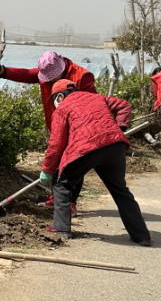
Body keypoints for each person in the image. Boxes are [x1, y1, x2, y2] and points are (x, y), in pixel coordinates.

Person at [40, 80, 151, 246]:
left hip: (86, 148)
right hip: (115, 146)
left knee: (62, 186)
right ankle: (142, 235)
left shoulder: (62, 109)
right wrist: (120, 128)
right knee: (120, 190)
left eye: (55, 99)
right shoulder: (97, 98)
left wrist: (47, 170)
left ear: (61, 96)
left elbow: (56, 144)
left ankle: (62, 228)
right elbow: (124, 105)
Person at [0, 50, 96, 214]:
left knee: (73, 164)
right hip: (57, 124)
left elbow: (94, 104)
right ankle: (57, 198)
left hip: (76, 128)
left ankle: (70, 202)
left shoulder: (82, 77)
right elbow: (28, 74)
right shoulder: (48, 71)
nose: (48, 81)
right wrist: (3, 71)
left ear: (61, 69)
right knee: (58, 163)